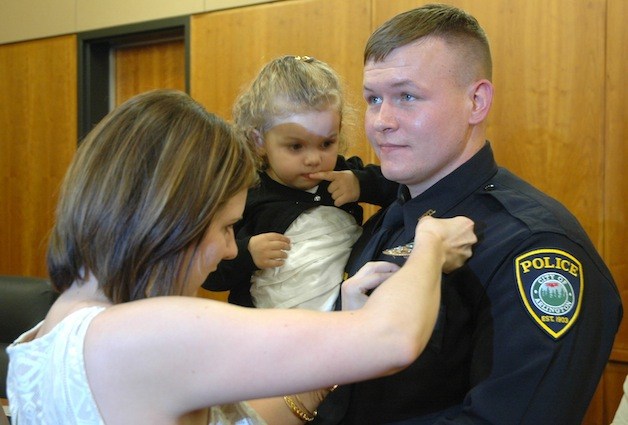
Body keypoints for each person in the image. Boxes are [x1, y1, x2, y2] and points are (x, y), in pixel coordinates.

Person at [5, 89, 477, 425]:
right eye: (226, 227)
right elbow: (392, 340)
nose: (232, 248)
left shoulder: (56, 324)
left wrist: (335, 348)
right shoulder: (139, 333)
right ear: (169, 218)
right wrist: (430, 245)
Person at [313, 4, 623, 425]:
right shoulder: (391, 218)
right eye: (373, 99)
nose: (381, 122)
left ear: (476, 101)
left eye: (407, 96)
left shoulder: (533, 247)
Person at [203, 55, 398, 310]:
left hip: (343, 319)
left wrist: (361, 183)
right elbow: (210, 274)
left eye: (327, 143)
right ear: (259, 141)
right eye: (296, 146)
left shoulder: (340, 173)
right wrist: (246, 254)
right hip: (272, 332)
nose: (314, 158)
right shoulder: (245, 194)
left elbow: (404, 188)